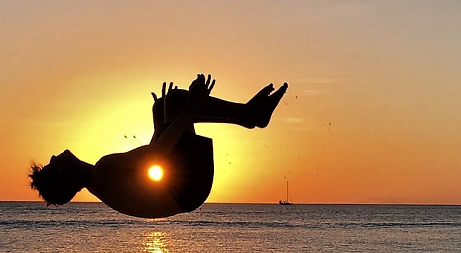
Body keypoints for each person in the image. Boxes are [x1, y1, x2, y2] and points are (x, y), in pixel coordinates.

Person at [29, 74, 287, 219]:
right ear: (62, 174)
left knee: (162, 106)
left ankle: (248, 116)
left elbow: (149, 172)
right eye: (52, 164)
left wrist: (160, 124)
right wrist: (192, 104)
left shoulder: (101, 181)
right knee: (174, 102)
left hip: (184, 192)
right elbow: (157, 156)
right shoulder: (103, 169)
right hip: (187, 186)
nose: (54, 156)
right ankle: (248, 115)